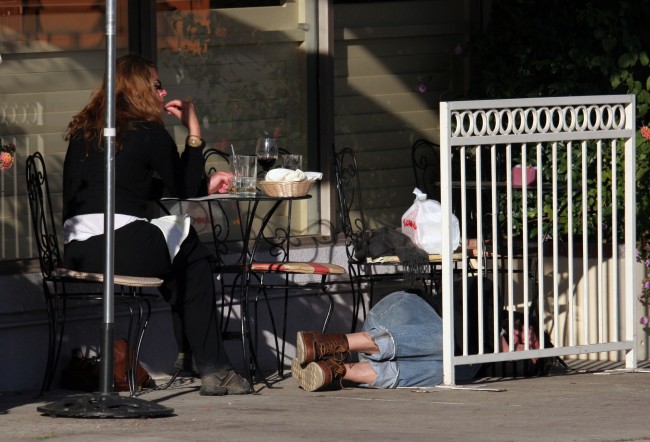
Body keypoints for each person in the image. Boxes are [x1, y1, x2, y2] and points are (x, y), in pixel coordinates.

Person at [61, 53, 249, 396]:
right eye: (157, 85)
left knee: (179, 257)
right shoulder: (149, 131)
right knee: (191, 247)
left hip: (78, 250)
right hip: (119, 244)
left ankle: (194, 355)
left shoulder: (84, 132)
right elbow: (184, 192)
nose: (163, 93)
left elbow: (138, 185)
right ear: (138, 89)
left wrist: (201, 186)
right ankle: (213, 367)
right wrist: (194, 131)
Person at [292, 290, 540, 391]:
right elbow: (476, 315)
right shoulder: (486, 298)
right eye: (531, 339)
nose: (525, 344)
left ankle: (334, 370)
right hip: (398, 312)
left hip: (383, 352)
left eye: (529, 350)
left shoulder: (483, 360)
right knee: (447, 342)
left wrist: (509, 348)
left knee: (444, 372)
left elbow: (514, 367)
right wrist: (504, 331)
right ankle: (329, 343)